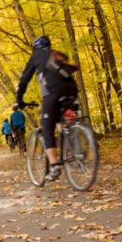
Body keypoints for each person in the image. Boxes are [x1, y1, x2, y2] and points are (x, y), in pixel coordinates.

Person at [15, 35, 78, 181]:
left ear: (35, 47)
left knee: (46, 126)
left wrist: (19, 99)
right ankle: (71, 141)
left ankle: (55, 165)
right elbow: (66, 61)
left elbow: (24, 80)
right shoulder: (55, 53)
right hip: (72, 90)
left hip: (53, 93)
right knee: (59, 118)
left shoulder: (35, 57)